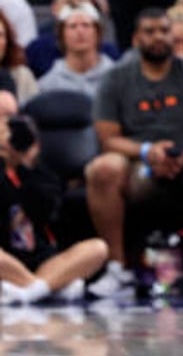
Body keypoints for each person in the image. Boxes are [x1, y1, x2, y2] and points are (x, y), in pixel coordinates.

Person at [85, 9, 183, 300]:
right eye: (149, 31)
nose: (158, 37)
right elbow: (108, 139)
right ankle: (116, 268)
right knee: (103, 168)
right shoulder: (116, 77)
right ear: (135, 38)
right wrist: (148, 152)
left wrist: (180, 157)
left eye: (163, 30)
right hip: (136, 167)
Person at [0, 112, 109, 304]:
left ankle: (30, 291)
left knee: (98, 248)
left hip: (43, 261)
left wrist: (25, 162)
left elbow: (45, 209)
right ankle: (48, 287)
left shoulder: (42, 175)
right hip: (7, 260)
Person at [37, 2, 114, 100]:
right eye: (73, 26)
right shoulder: (47, 85)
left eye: (86, 25)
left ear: (98, 33)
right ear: (62, 35)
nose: (80, 31)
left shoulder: (117, 78)